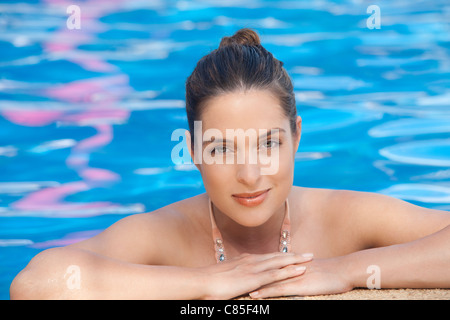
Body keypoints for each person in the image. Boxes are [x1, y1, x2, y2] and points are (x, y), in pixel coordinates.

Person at [10, 28, 450, 300]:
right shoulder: (163, 235)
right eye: (222, 148)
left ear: (296, 137)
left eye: (268, 144)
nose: (250, 174)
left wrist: (345, 270)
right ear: (195, 152)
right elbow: (35, 286)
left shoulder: (345, 218)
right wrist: (205, 282)